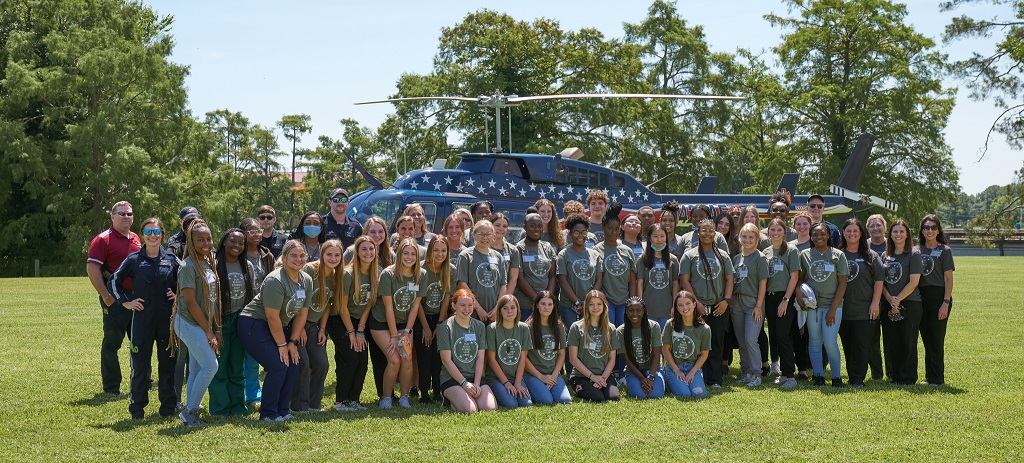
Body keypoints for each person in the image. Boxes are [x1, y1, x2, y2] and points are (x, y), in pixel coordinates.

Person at [107, 217, 177, 418]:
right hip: (142, 320)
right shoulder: (133, 259)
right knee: (139, 366)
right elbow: (114, 282)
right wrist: (126, 301)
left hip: (166, 321)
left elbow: (188, 283)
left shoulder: (172, 259)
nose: (152, 236)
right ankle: (137, 409)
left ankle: (168, 408)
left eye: (156, 232)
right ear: (142, 235)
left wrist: (178, 295)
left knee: (168, 365)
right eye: (148, 232)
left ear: (162, 234)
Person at [237, 240, 313, 422]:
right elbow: (271, 317)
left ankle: (282, 410)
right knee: (278, 364)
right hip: (253, 324)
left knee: (293, 363)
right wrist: (281, 345)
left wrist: (292, 343)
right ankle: (269, 413)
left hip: (279, 326)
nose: (298, 259)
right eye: (293, 255)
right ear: (285, 257)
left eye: (302, 255)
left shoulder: (307, 280)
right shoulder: (275, 280)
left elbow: (302, 314)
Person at [86, 200, 142, 395]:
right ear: (112, 216)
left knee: (139, 342)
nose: (126, 217)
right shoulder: (103, 240)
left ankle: (143, 379)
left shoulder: (136, 238)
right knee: (112, 343)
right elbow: (93, 269)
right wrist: (106, 296)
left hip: (135, 299)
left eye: (129, 213)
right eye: (121, 213)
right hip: (115, 299)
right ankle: (112, 387)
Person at [172, 219, 222, 427]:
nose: (205, 243)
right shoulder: (187, 266)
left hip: (201, 323)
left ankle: (190, 410)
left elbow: (214, 299)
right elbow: (191, 303)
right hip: (188, 322)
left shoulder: (207, 263)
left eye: (208, 239)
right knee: (211, 366)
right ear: (191, 242)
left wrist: (217, 329)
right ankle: (191, 410)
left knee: (195, 369)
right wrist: (208, 332)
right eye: (200, 239)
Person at [370, 238, 426, 409]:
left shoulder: (420, 275)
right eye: (405, 253)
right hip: (381, 323)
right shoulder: (388, 274)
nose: (409, 257)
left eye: (413, 254)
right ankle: (386, 397)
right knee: (394, 359)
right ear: (399, 254)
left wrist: (407, 331)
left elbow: (415, 306)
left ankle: (404, 397)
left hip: (403, 324)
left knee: (407, 358)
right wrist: (395, 336)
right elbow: (388, 308)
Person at [679, 219, 734, 388]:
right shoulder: (689, 255)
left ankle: (715, 379)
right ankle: (697, 377)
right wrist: (695, 303)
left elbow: (730, 278)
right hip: (697, 307)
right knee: (697, 345)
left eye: (711, 230)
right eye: (704, 230)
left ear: (716, 234)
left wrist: (726, 301)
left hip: (718, 307)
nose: (708, 234)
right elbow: (684, 280)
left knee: (716, 343)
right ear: (698, 232)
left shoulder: (723, 256)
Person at [327, 235, 378, 411]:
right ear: (356, 252)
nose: (368, 252)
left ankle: (354, 400)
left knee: (362, 361)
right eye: (363, 249)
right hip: (339, 320)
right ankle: (340, 402)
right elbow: (341, 307)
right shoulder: (348, 274)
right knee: (350, 358)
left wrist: (361, 329)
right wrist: (351, 332)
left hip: (358, 323)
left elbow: (369, 304)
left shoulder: (375, 274)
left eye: (371, 249)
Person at [291, 239, 342, 412]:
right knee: (303, 363)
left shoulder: (335, 276)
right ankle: (299, 405)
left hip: (315, 327)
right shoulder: (310, 270)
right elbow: (298, 299)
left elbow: (327, 304)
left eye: (337, 255)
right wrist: (300, 328)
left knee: (322, 364)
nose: (333, 258)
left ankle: (314, 404)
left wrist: (322, 329)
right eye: (329, 254)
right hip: (298, 324)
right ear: (322, 253)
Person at [797, 222, 849, 387]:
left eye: (822, 234)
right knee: (814, 341)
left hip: (833, 306)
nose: (819, 237)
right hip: (813, 306)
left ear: (828, 236)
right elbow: (799, 279)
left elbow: (842, 284)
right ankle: (818, 376)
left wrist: (833, 309)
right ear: (811, 237)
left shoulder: (838, 255)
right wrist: (799, 296)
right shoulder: (804, 254)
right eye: (815, 234)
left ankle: (836, 377)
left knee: (830, 341)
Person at [208, 229, 253, 417]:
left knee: (237, 366)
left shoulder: (247, 265)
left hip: (240, 319)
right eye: (233, 242)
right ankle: (220, 408)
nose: (237, 246)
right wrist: (214, 326)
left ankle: (237, 406)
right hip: (219, 320)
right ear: (224, 241)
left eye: (241, 243)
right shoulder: (214, 265)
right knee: (219, 367)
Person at [838, 218, 884, 387]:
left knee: (861, 344)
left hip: (864, 309)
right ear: (843, 233)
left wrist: (875, 303)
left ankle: (858, 378)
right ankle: (852, 376)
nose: (851, 234)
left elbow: (879, 279)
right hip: (842, 308)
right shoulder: (837, 254)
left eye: (855, 231)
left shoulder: (871, 255)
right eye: (848, 231)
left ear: (861, 234)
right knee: (847, 343)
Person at [438, 289, 497, 413]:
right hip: (453, 378)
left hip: (474, 377)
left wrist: (476, 382)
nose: (467, 309)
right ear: (454, 305)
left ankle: (466, 398)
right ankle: (451, 399)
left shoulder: (479, 326)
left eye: (470, 305)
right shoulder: (446, 327)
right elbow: (446, 360)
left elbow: (481, 357)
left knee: (489, 408)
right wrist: (464, 383)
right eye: (462, 305)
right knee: (469, 410)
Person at [881, 219, 923, 385]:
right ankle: (896, 375)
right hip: (889, 303)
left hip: (910, 303)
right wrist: (890, 299)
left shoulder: (914, 254)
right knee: (893, 340)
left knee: (908, 340)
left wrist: (897, 299)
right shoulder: (885, 255)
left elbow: (914, 282)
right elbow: (881, 282)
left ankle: (909, 376)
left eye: (901, 231)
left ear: (907, 234)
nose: (898, 235)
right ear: (890, 234)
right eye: (895, 231)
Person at [239, 217, 275, 410]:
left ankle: (253, 394)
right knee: (238, 358)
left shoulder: (267, 256)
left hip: (262, 311)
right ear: (242, 232)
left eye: (259, 231)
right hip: (240, 311)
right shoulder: (236, 254)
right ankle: (239, 393)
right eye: (251, 231)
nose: (256, 234)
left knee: (253, 357)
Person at [916, 214, 955, 386]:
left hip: (939, 297)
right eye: (926, 227)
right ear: (922, 231)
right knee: (926, 338)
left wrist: (945, 303)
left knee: (936, 339)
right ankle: (929, 375)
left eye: (933, 227)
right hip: (920, 297)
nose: (929, 230)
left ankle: (937, 378)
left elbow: (948, 279)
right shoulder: (917, 250)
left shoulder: (945, 250)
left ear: (938, 230)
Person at [762, 218, 801, 388]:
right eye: (772, 230)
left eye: (779, 230)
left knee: (784, 335)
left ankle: (789, 375)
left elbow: (794, 277)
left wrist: (785, 299)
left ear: (784, 232)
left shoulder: (791, 250)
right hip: (769, 298)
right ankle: (782, 372)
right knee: (775, 335)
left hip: (785, 297)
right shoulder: (766, 251)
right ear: (768, 232)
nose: (775, 233)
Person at [417, 235, 456, 403]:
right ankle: (423, 392)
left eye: (443, 251)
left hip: (440, 316)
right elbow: (416, 301)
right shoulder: (420, 268)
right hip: (421, 315)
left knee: (439, 354)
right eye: (436, 250)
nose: (440, 254)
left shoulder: (450, 269)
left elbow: (447, 297)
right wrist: (426, 327)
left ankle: (438, 391)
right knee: (425, 353)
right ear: (430, 251)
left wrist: (440, 323)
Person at [566, 290, 621, 402]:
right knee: (597, 397)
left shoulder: (611, 329)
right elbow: (573, 359)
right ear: (586, 306)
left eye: (599, 304)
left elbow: (612, 359)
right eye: (591, 304)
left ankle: (602, 383)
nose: (595, 307)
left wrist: (603, 378)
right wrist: (593, 377)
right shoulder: (576, 327)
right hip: (581, 376)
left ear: (604, 306)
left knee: (613, 397)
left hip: (603, 375)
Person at [731, 224, 769, 387]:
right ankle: (746, 372)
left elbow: (763, 284)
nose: (747, 240)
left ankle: (756, 374)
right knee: (741, 339)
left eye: (750, 237)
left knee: (751, 339)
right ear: (739, 238)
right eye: (744, 237)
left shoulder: (760, 258)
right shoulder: (736, 258)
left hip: (753, 303)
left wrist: (758, 306)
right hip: (736, 302)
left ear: (757, 239)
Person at [556, 214, 604, 331]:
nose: (580, 236)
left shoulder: (595, 254)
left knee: (588, 336)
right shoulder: (564, 254)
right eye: (576, 232)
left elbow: (599, 279)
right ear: (570, 233)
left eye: (583, 232)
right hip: (569, 305)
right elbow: (562, 280)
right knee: (571, 337)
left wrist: (588, 301)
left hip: (591, 305)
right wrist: (577, 302)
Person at [523, 291, 572, 405]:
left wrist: (554, 375)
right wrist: (541, 377)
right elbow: (523, 358)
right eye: (543, 304)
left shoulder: (559, 326)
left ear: (554, 306)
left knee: (565, 400)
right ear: (536, 305)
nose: (546, 307)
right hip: (533, 373)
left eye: (550, 304)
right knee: (546, 400)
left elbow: (561, 355)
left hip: (552, 372)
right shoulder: (527, 327)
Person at [485, 295, 534, 409]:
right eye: (505, 308)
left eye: (512, 307)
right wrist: (506, 383)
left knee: (526, 404)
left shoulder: (523, 328)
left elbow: (523, 358)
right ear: (500, 311)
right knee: (511, 404)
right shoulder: (492, 329)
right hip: (496, 378)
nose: (509, 311)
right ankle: (495, 392)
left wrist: (517, 383)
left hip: (516, 377)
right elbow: (491, 360)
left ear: (517, 309)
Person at [662, 290, 712, 398]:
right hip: (674, 367)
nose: (685, 308)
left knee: (699, 394)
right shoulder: (670, 325)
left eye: (688, 304)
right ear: (676, 308)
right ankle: (669, 381)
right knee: (685, 394)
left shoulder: (705, 329)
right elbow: (665, 350)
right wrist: (676, 370)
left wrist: (692, 372)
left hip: (693, 367)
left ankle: (687, 382)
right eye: (680, 305)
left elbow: (704, 354)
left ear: (694, 304)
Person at [457, 220, 508, 322]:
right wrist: (478, 308)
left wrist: (497, 308)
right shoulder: (465, 256)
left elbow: (503, 285)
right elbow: (462, 284)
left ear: (493, 235)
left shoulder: (498, 257)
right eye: (481, 234)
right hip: (471, 313)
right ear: (474, 235)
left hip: (493, 314)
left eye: (488, 234)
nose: (485, 238)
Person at [594, 203, 636, 328]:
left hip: (624, 300)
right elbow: (597, 278)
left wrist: (631, 301)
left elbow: (632, 280)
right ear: (603, 227)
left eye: (616, 229)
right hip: (606, 301)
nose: (613, 232)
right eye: (610, 228)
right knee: (609, 332)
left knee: (623, 333)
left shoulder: (627, 250)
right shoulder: (596, 250)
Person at [617, 297, 665, 399]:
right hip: (633, 371)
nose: (635, 314)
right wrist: (642, 379)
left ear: (644, 311)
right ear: (626, 312)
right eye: (631, 311)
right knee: (638, 395)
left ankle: (663, 381)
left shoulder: (654, 326)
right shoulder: (621, 331)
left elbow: (657, 354)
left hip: (652, 369)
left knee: (656, 395)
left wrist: (651, 377)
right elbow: (627, 359)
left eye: (638, 310)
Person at [515, 213, 557, 322]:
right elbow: (520, 279)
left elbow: (552, 275)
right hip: (526, 305)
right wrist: (538, 300)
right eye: (532, 226)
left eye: (539, 226)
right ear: (525, 227)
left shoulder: (547, 247)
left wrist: (547, 299)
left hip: (546, 306)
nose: (536, 229)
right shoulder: (518, 249)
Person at [637, 224, 679, 329]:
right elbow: (640, 284)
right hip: (648, 310)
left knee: (665, 342)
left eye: (662, 236)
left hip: (667, 310)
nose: (659, 239)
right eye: (655, 236)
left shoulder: (672, 260)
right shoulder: (642, 259)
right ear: (649, 239)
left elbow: (675, 284)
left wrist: (674, 306)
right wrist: (640, 306)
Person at [864, 213, 888, 380]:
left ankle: (893, 372)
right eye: (872, 226)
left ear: (884, 227)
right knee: (872, 339)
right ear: (867, 229)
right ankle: (877, 374)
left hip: (892, 298)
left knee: (891, 338)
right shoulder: (863, 247)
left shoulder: (893, 244)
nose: (875, 228)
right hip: (869, 299)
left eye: (878, 225)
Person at [489, 212, 521, 299]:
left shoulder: (513, 251)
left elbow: (513, 278)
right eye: (497, 225)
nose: (501, 229)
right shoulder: (483, 248)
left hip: (504, 296)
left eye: (504, 226)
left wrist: (504, 299)